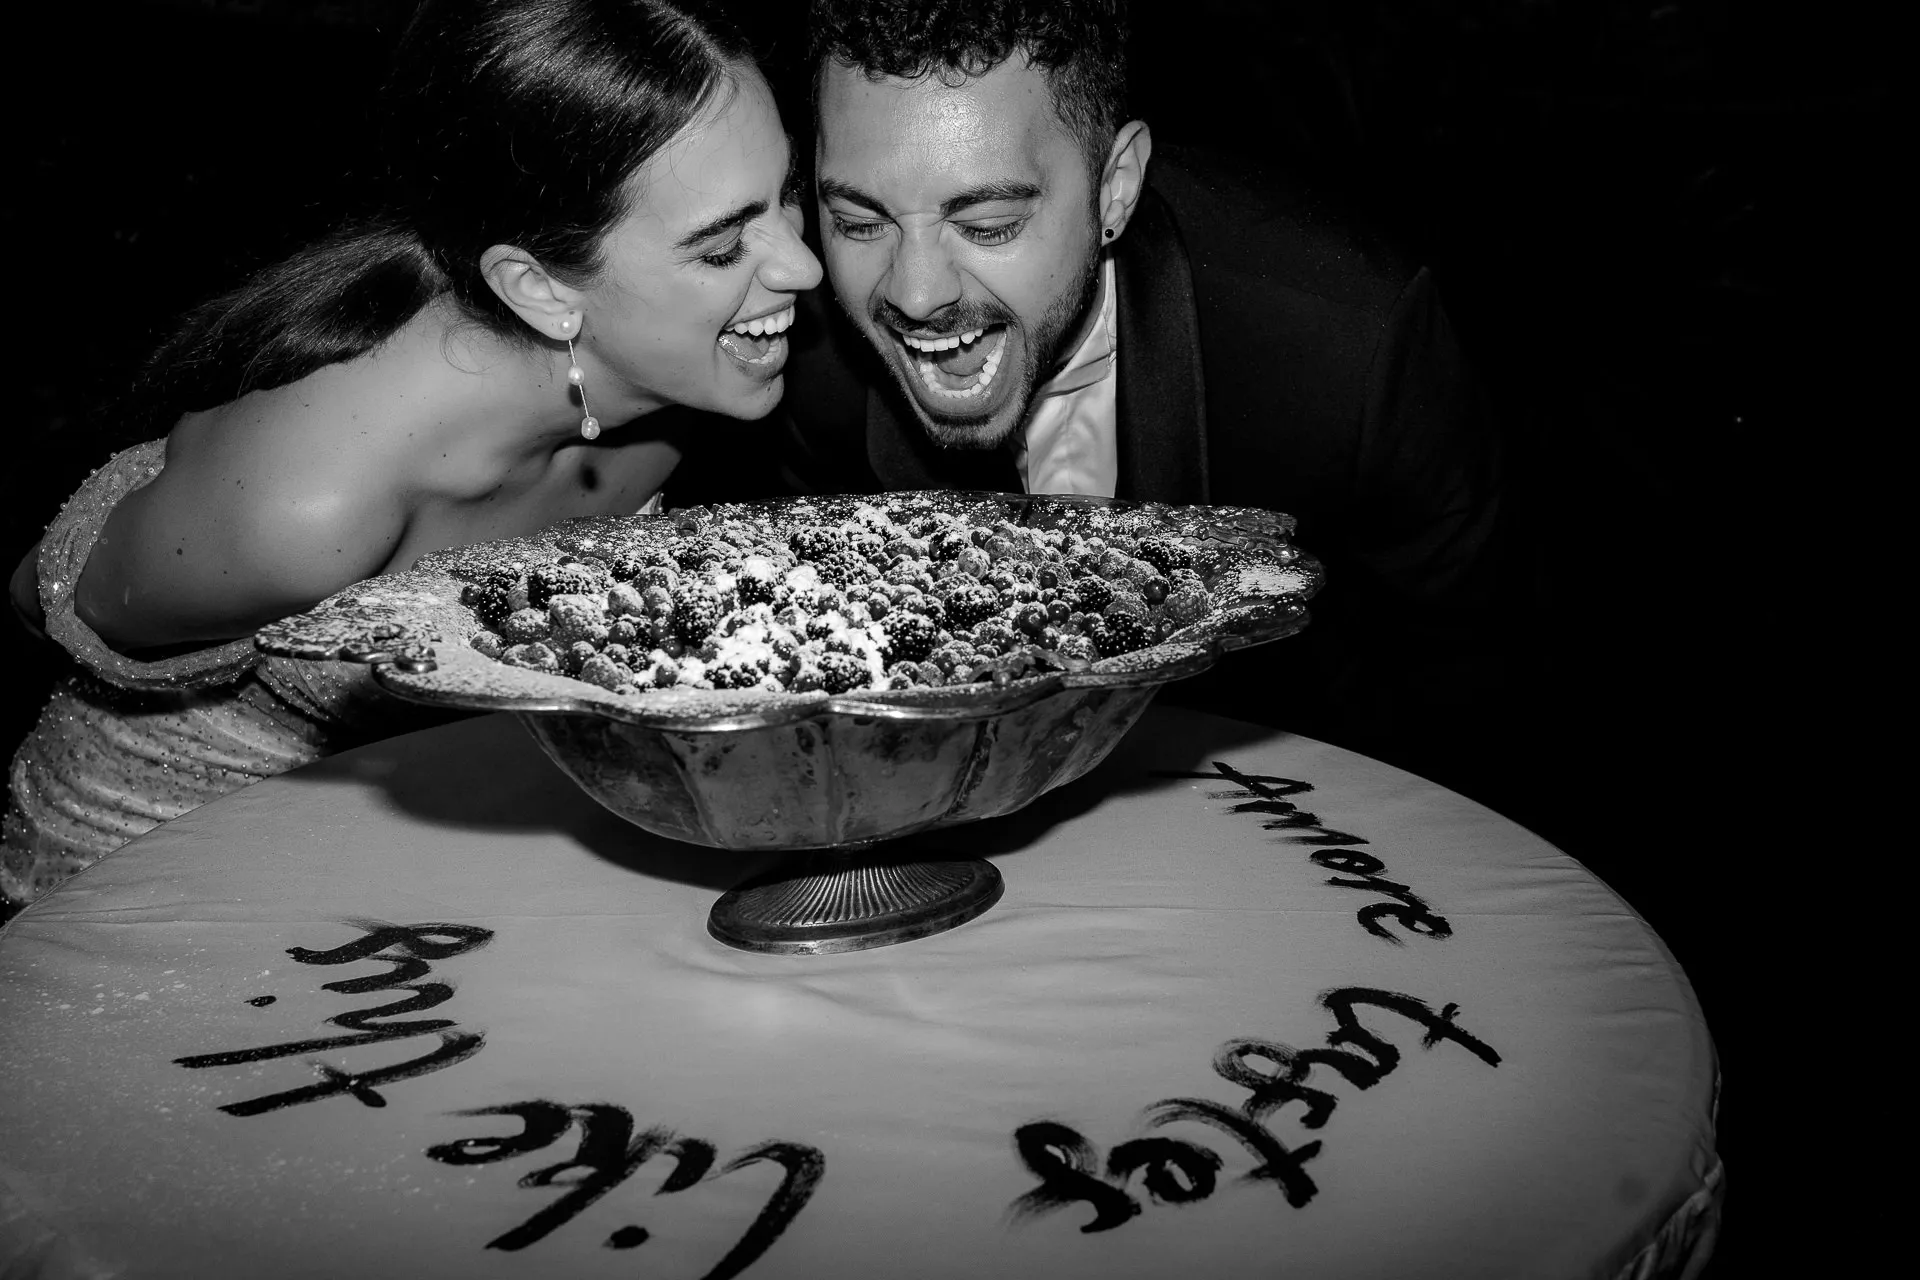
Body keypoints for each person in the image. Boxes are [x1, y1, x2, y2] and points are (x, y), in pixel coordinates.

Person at [0, 0, 821, 909]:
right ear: (540, 289)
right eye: (719, 247)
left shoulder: (677, 375)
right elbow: (43, 598)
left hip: (416, 854)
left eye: (787, 192)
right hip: (150, 880)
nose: (802, 267)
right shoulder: (310, 511)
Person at [768, 0, 1506, 776]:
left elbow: (1477, 677)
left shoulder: (1344, 345)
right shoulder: (805, 358)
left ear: (1115, 187)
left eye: (987, 225)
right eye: (857, 222)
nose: (914, 295)